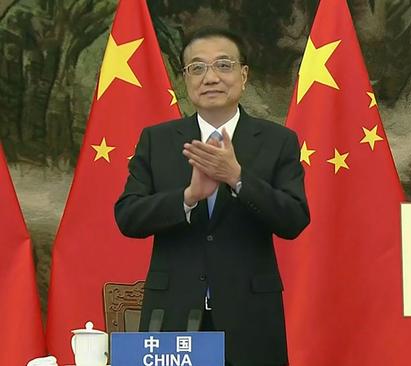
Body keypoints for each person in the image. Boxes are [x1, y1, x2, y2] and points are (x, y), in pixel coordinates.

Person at [114, 27, 310, 366]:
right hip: (173, 316)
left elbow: (294, 220)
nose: (211, 77)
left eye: (223, 65)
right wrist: (188, 197)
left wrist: (237, 178)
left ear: (244, 75)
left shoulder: (279, 141)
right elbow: (128, 217)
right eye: (198, 67)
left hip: (251, 318)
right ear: (186, 79)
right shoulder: (157, 140)